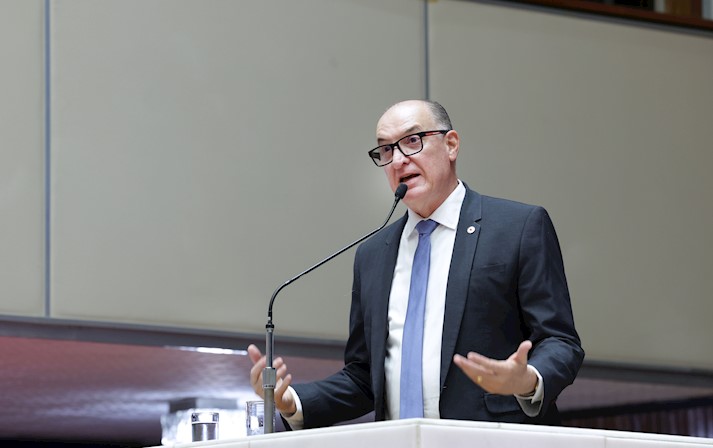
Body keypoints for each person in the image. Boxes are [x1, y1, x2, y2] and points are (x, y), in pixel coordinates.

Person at [248, 99, 584, 429]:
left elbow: (560, 341)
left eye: (412, 141)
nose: (398, 160)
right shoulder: (373, 254)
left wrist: (528, 379)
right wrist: (292, 401)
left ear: (451, 145)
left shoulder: (517, 228)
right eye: (386, 149)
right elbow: (364, 377)